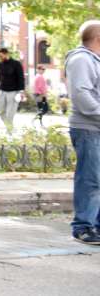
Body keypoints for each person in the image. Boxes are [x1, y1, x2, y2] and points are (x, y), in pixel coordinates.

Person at [64, 21, 100, 245]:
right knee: (90, 179)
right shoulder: (81, 60)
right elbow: (82, 96)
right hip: (89, 129)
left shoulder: (93, 60)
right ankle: (83, 227)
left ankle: (95, 225)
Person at [0, 47, 25, 132]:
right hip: (2, 90)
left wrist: (21, 91)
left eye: (1, 56)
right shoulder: (0, 65)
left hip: (13, 92)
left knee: (10, 114)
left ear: (6, 54)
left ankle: (9, 131)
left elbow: (21, 78)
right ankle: (10, 127)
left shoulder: (16, 64)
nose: (0, 58)